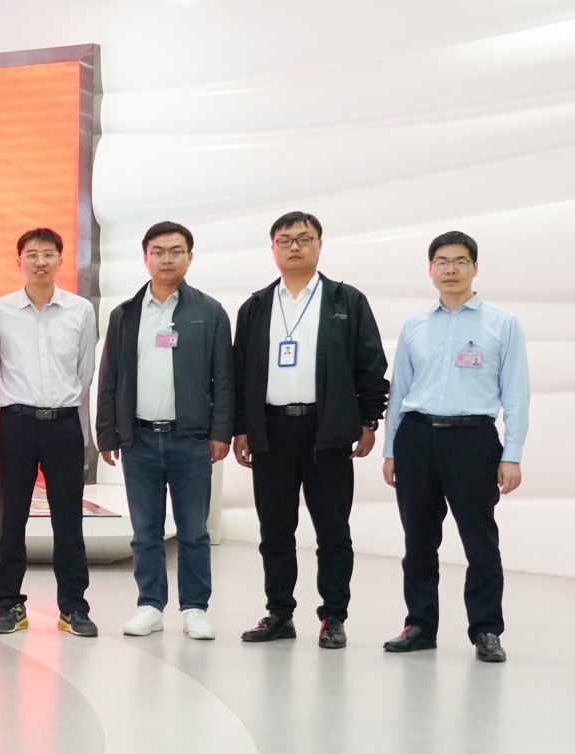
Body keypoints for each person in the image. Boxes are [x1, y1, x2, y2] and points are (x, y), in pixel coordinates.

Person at [230, 212, 388, 649]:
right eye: (286, 240)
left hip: (328, 431)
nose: (295, 247)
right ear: (273, 248)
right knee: (275, 531)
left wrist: (369, 420)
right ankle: (279, 613)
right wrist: (242, 428)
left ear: (320, 245)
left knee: (333, 531)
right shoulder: (256, 306)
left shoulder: (346, 300)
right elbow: (240, 372)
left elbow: (370, 363)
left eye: (305, 239)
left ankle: (333, 616)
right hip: (271, 432)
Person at [382, 231, 528, 664]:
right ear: (430, 269)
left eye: (460, 261)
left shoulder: (502, 323)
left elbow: (516, 393)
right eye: (442, 261)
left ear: (475, 268)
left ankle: (486, 629)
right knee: (418, 540)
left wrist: (512, 454)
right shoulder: (415, 325)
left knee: (480, 541)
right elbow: (399, 391)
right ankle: (419, 625)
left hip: (473, 440)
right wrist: (391, 449)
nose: (451, 269)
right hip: (417, 438)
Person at [95, 221, 233, 641]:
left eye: (176, 251)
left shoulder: (209, 312)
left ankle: (195, 608)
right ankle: (150, 605)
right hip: (138, 440)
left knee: (193, 530)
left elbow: (224, 378)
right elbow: (110, 377)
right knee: (145, 531)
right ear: (146, 258)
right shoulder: (125, 314)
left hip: (190, 439)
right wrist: (107, 433)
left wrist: (221, 432)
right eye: (158, 251)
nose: (167, 259)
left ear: (190, 257)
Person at [0, 227, 101, 637]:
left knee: (68, 520)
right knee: (11, 517)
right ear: (19, 261)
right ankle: (8, 605)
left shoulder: (80, 310)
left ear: (60, 260)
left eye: (48, 254)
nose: (40, 262)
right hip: (16, 423)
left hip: (64, 425)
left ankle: (74, 607)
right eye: (32, 254)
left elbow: (84, 373)